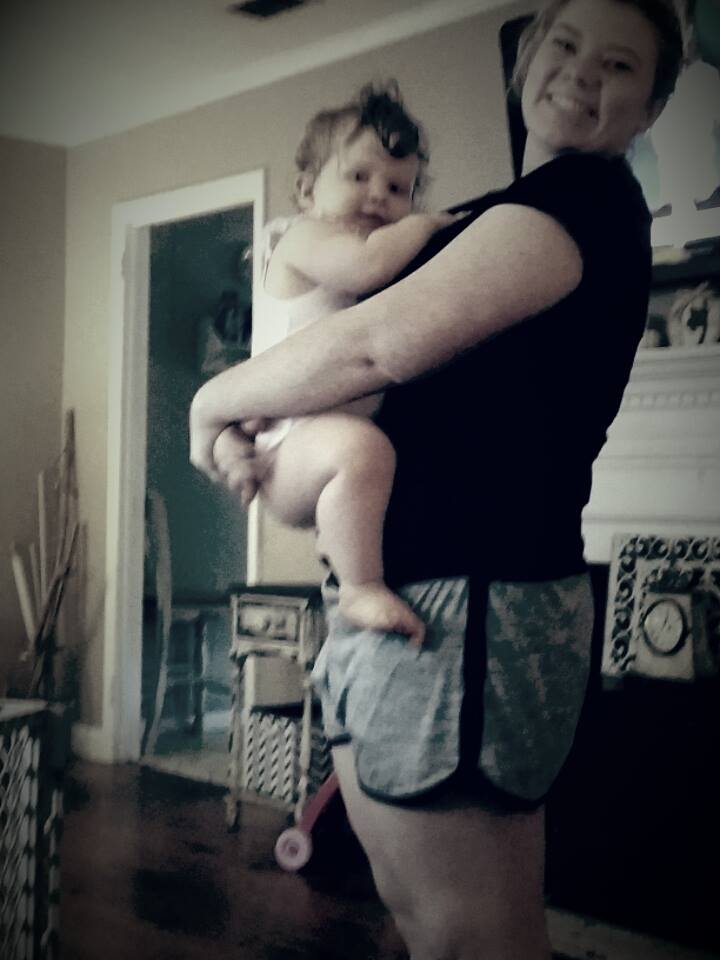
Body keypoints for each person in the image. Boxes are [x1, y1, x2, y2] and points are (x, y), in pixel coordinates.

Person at [189, 0, 684, 956]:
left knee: (469, 934)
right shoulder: (525, 208)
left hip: (468, 615)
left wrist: (214, 402)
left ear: (652, 106)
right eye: (566, 44)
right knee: (433, 918)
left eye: (620, 65)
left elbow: (376, 344)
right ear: (528, 54)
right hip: (435, 608)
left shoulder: (578, 206)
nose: (582, 73)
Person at [245, 83, 454, 645]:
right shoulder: (304, 238)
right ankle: (360, 588)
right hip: (288, 447)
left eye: (398, 188)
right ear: (307, 189)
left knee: (373, 450)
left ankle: (340, 542)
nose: (377, 196)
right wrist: (423, 225)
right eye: (358, 176)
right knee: (364, 450)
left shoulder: (342, 250)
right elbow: (367, 266)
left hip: (314, 444)